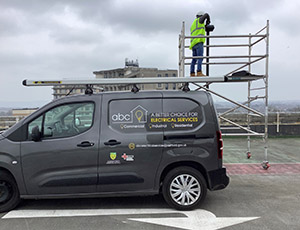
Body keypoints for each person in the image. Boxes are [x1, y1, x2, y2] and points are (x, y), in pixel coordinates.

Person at [190, 11, 210, 77]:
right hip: (199, 42)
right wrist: (208, 20)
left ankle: (192, 73)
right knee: (200, 57)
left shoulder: (193, 24)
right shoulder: (199, 21)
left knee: (194, 59)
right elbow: (206, 15)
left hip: (193, 44)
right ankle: (199, 72)